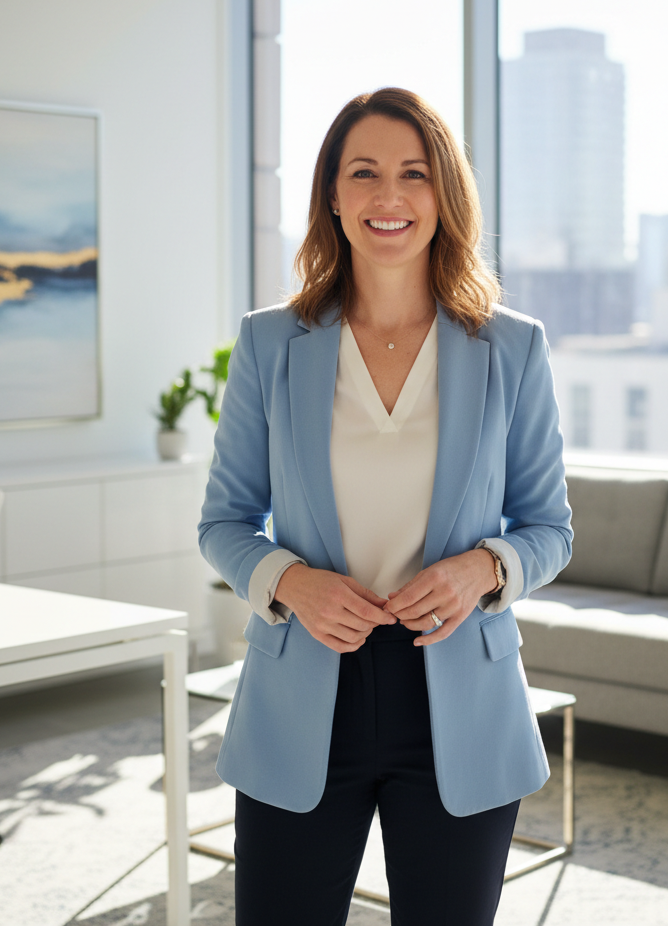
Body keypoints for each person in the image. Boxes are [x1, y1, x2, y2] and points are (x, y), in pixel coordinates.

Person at [198, 87, 572, 925]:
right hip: (303, 690)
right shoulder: (270, 342)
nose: (389, 196)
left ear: (445, 195)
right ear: (333, 192)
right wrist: (290, 581)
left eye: (414, 173)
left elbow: (550, 527)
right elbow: (223, 522)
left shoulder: (512, 347)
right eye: (363, 172)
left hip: (458, 703)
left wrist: (485, 568)